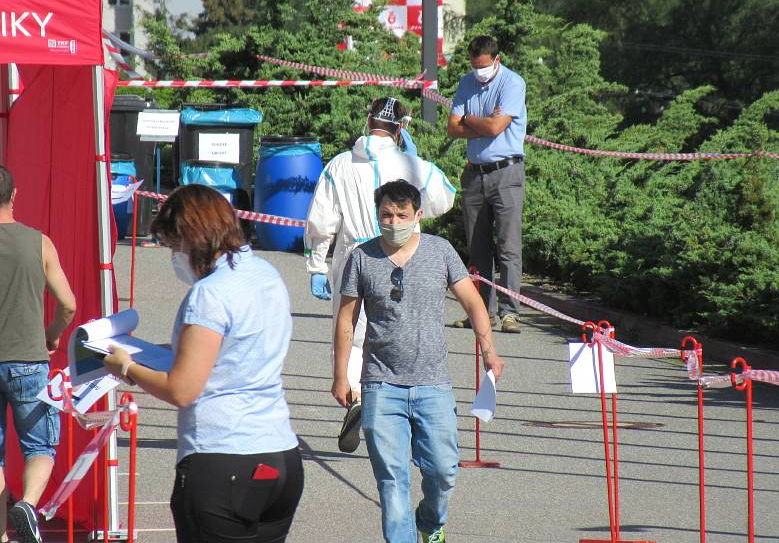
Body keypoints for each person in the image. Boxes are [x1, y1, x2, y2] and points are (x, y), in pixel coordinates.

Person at [104, 184, 303, 543]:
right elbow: (226, 353)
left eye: (172, 246)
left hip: (223, 458)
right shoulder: (265, 273)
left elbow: (182, 389)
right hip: (280, 453)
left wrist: (126, 367)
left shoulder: (210, 294)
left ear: (190, 237)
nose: (174, 258)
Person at [332, 180, 505, 543]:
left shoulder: (439, 251)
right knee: (393, 481)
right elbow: (346, 319)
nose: (393, 222)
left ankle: (430, 523)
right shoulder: (362, 257)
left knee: (443, 472)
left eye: (401, 214)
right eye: (386, 215)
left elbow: (474, 303)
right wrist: (341, 376)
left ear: (418, 215)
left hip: (433, 384)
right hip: (380, 384)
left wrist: (488, 349)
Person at [304, 97, 456, 453]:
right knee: (397, 334)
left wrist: (317, 264)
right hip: (403, 256)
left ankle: (356, 396)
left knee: (351, 334)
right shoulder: (409, 164)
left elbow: (322, 220)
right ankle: (396, 411)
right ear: (400, 128)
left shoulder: (339, 165)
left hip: (354, 257)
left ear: (367, 120)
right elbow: (444, 197)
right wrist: (415, 163)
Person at [0, 165, 77, 543]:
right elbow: (67, 304)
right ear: (13, 197)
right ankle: (28, 505)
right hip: (29, 359)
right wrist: (52, 337)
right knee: (41, 446)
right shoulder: (39, 243)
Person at [447, 34, 528, 334]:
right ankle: (482, 312)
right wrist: (477, 122)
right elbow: (452, 128)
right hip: (474, 172)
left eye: (483, 67)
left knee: (508, 245)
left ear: (497, 60)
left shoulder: (512, 83)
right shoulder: (467, 83)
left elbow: (497, 127)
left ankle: (510, 313)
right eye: (474, 66)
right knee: (477, 248)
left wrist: (469, 119)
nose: (479, 73)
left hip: (506, 172)